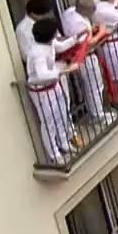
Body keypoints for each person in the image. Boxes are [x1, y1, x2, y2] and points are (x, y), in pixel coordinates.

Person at [25, 16, 83, 164]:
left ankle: (64, 142)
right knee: (49, 121)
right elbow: (42, 75)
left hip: (53, 86)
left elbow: (60, 46)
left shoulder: (48, 44)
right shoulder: (38, 53)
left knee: (62, 113)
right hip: (42, 91)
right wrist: (64, 70)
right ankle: (54, 153)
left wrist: (75, 39)